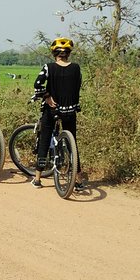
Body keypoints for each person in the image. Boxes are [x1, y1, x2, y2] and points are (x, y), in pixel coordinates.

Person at [31, 37, 86, 190]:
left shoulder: (49, 67)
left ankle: (37, 179)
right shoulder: (76, 68)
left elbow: (37, 84)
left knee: (45, 139)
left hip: (52, 110)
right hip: (70, 111)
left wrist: (47, 97)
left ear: (54, 53)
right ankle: (79, 179)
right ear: (68, 54)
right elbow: (77, 87)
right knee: (72, 143)